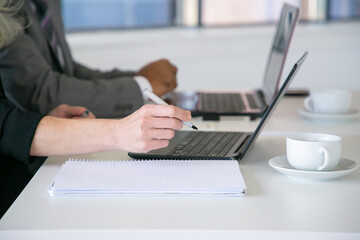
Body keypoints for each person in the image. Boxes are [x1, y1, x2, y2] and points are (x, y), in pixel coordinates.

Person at [0, 1, 192, 218]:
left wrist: (50, 122)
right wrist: (119, 131)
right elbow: (9, 127)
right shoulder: (9, 9)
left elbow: (65, 70)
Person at [0, 0, 178, 118]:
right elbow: (41, 92)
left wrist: (140, 78)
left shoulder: (47, 3)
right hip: (22, 161)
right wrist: (141, 86)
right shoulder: (7, 9)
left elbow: (67, 69)